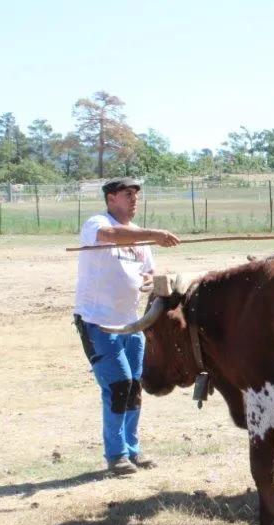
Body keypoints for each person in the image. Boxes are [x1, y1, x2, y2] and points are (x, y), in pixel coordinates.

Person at [73, 178, 180, 475]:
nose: (134, 199)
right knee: (118, 385)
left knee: (134, 386)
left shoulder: (140, 240)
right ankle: (116, 454)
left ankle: (132, 451)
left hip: (132, 324)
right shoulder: (97, 223)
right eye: (127, 194)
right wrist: (155, 234)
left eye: (136, 195)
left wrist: (150, 281)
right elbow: (110, 235)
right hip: (98, 323)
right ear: (111, 199)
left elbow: (148, 273)